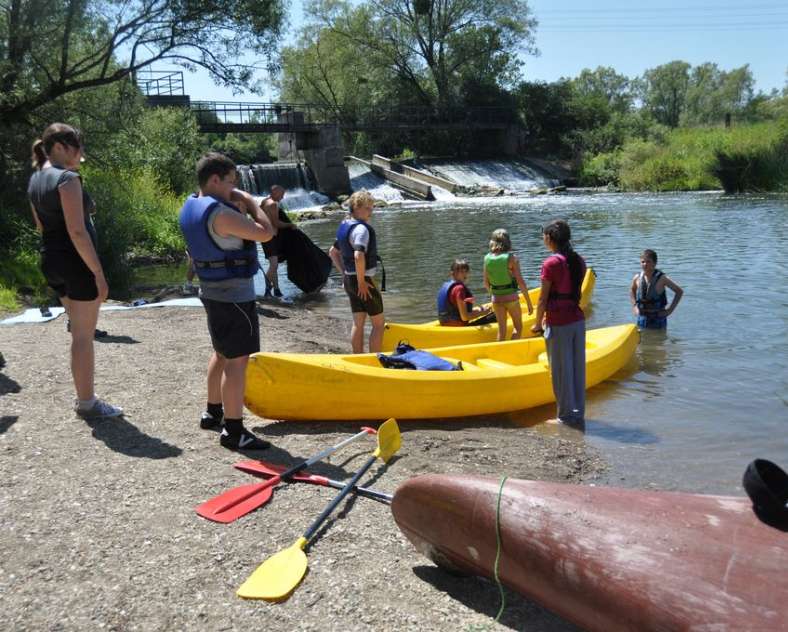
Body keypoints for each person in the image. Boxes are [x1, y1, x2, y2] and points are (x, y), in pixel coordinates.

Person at [179, 153, 276, 451]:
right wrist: (251, 201)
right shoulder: (220, 213)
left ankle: (213, 412)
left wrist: (236, 197)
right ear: (214, 180)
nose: (234, 188)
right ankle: (234, 431)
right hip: (234, 297)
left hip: (210, 293)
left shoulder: (190, 206)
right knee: (237, 362)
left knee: (221, 353)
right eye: (231, 182)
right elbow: (266, 233)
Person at [27, 123, 122, 419]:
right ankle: (87, 403)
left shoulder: (36, 179)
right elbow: (78, 232)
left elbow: (41, 227)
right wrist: (98, 273)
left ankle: (85, 398)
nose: (80, 155)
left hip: (51, 260)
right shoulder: (67, 178)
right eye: (77, 148)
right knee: (83, 336)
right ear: (59, 147)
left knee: (78, 333)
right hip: (75, 263)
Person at [531, 219, 587, 425]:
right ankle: (578, 413)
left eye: (544, 236)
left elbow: (543, 299)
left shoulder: (551, 263)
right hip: (577, 320)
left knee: (561, 371)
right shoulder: (579, 260)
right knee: (577, 368)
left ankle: (564, 416)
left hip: (559, 322)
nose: (543, 239)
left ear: (550, 238)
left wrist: (537, 324)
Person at [328, 190, 385, 353]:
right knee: (378, 325)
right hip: (363, 281)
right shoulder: (361, 229)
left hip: (350, 281)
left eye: (372, 208)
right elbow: (359, 256)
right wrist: (361, 282)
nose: (371, 211)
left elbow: (333, 252)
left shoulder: (345, 226)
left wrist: (345, 274)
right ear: (357, 207)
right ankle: (375, 359)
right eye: (368, 208)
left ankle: (358, 358)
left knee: (358, 323)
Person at [482, 228, 534, 341]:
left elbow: (486, 283)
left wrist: (494, 294)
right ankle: (512, 349)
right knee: (518, 328)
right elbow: (521, 282)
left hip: (496, 299)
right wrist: (529, 303)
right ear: (508, 242)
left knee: (502, 331)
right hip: (511, 298)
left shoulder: (487, 258)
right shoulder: (512, 258)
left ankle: (498, 352)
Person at [630, 249, 683, 329]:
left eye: (648, 262)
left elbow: (679, 291)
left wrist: (669, 310)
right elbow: (632, 290)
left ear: (654, 263)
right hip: (642, 318)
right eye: (643, 262)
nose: (645, 264)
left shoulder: (662, 278)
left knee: (658, 340)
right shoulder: (637, 277)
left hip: (658, 319)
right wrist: (634, 306)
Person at [261, 184, 296, 298]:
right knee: (274, 266)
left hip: (264, 236)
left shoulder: (264, 201)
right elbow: (277, 223)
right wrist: (290, 224)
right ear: (275, 192)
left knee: (273, 265)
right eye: (281, 195)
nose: (282, 197)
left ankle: (276, 290)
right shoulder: (272, 205)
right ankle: (267, 289)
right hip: (271, 238)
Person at [437, 259, 492, 326]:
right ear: (453, 273)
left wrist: (479, 310)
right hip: (458, 325)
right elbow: (465, 317)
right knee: (494, 316)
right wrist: (483, 313)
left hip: (444, 323)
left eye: (466, 271)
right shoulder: (459, 288)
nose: (465, 274)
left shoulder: (445, 285)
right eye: (462, 272)